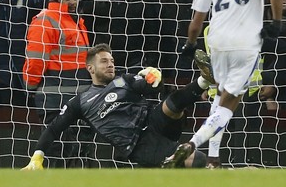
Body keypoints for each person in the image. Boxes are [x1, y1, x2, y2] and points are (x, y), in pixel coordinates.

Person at [164, 0, 283, 167]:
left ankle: (214, 159)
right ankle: (192, 144)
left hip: (215, 42)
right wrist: (276, 23)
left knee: (218, 97)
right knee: (229, 102)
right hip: (245, 42)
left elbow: (197, 20)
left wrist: (190, 44)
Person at [22, 43, 210, 169]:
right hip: (139, 145)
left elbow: (151, 87)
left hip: (153, 122)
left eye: (112, 61)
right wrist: (37, 156)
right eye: (104, 61)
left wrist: (154, 78)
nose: (110, 65)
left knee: (173, 102)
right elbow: (54, 129)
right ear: (90, 68)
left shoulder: (124, 80)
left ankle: (205, 79)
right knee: (198, 159)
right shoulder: (80, 101)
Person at [23, 0, 90, 117]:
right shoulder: (45, 21)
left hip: (80, 100)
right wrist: (31, 86)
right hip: (55, 101)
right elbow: (36, 60)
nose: (72, 1)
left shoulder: (77, 22)